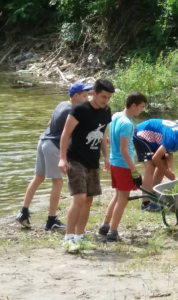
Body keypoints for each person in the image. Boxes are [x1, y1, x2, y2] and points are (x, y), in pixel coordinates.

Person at [15, 83, 92, 230]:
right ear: (76, 96)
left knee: (38, 177)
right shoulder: (74, 110)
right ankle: (51, 221)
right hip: (53, 147)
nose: (87, 98)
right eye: (84, 95)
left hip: (43, 141)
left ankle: (23, 212)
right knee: (58, 182)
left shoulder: (62, 104)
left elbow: (49, 123)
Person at [58, 79, 115, 253]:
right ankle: (68, 238)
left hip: (93, 160)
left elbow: (102, 134)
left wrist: (106, 156)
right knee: (80, 197)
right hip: (75, 158)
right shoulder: (79, 109)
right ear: (94, 93)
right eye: (103, 96)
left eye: (109, 97)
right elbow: (66, 133)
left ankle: (80, 237)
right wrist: (62, 159)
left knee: (89, 199)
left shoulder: (106, 111)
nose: (105, 100)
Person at [98, 92, 147, 242]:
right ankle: (113, 231)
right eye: (141, 107)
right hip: (123, 165)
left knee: (118, 196)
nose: (142, 110)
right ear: (133, 105)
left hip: (114, 162)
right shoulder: (127, 123)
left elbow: (111, 138)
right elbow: (124, 149)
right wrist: (134, 170)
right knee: (123, 199)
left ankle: (105, 225)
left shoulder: (116, 116)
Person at [133, 119, 178, 211]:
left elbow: (168, 152)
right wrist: (166, 173)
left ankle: (153, 193)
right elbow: (155, 158)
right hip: (142, 134)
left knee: (164, 164)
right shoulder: (173, 137)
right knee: (150, 166)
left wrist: (170, 169)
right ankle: (145, 204)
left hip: (154, 137)